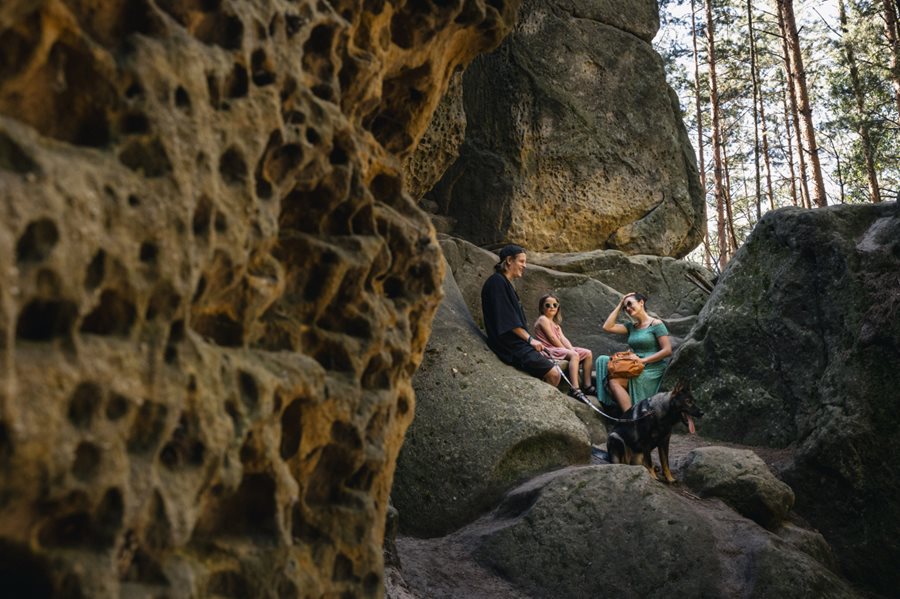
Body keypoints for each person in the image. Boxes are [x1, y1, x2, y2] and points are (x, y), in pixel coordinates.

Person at [481, 245, 561, 387]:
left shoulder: (506, 283)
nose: (525, 266)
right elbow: (507, 320)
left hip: (517, 343)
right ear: (509, 260)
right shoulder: (497, 282)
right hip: (510, 346)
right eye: (522, 261)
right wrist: (531, 340)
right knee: (554, 374)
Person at [596, 292, 672, 412]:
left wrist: (643, 360)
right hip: (634, 364)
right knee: (602, 360)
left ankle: (632, 417)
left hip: (652, 367)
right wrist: (620, 304)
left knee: (614, 381)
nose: (628, 308)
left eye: (630, 304)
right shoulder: (632, 327)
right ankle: (621, 409)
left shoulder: (656, 324)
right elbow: (607, 327)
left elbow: (667, 350)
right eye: (625, 307)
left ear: (641, 302)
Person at [533, 293, 594, 402]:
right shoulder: (543, 319)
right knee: (574, 355)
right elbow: (552, 338)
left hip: (558, 348)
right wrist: (569, 352)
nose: (552, 307)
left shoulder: (556, 324)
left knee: (588, 353)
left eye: (554, 305)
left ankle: (587, 385)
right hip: (549, 349)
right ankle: (575, 388)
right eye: (548, 305)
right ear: (542, 308)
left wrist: (570, 349)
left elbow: (563, 338)